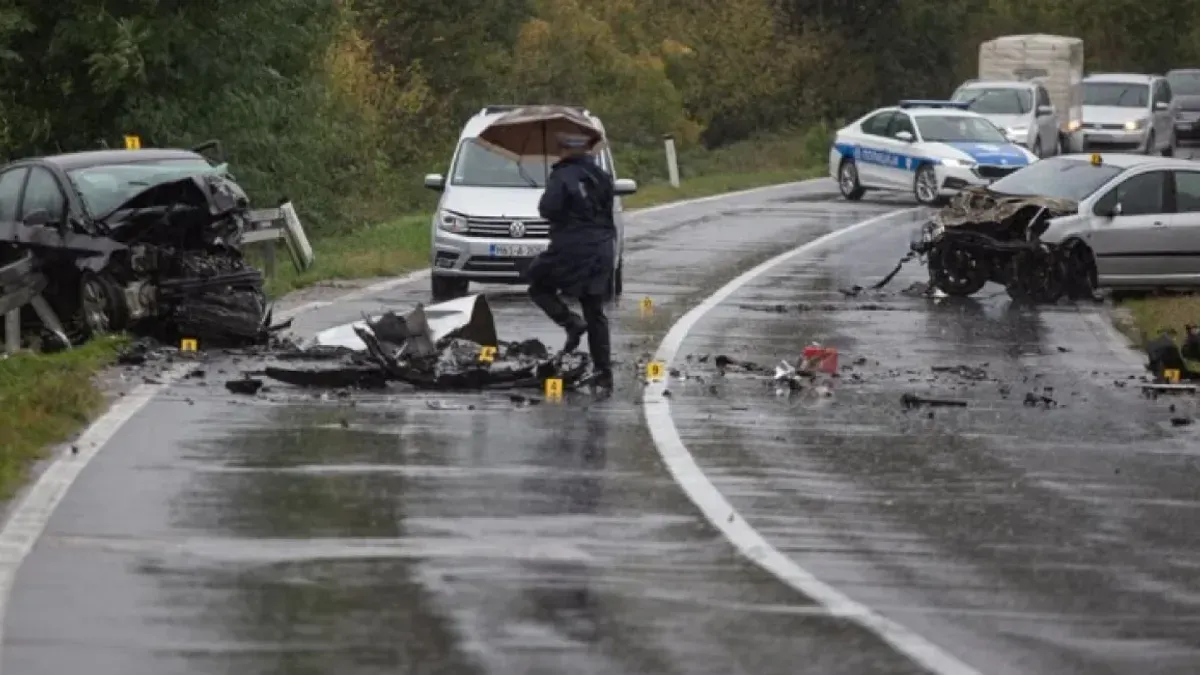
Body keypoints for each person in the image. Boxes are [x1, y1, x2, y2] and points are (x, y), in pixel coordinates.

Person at [526, 131, 616, 392]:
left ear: (564, 150)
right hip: (602, 249)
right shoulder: (602, 176)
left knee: (537, 283)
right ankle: (603, 372)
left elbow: (547, 210)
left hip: (571, 248)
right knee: (594, 308)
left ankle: (570, 323)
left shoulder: (562, 175)